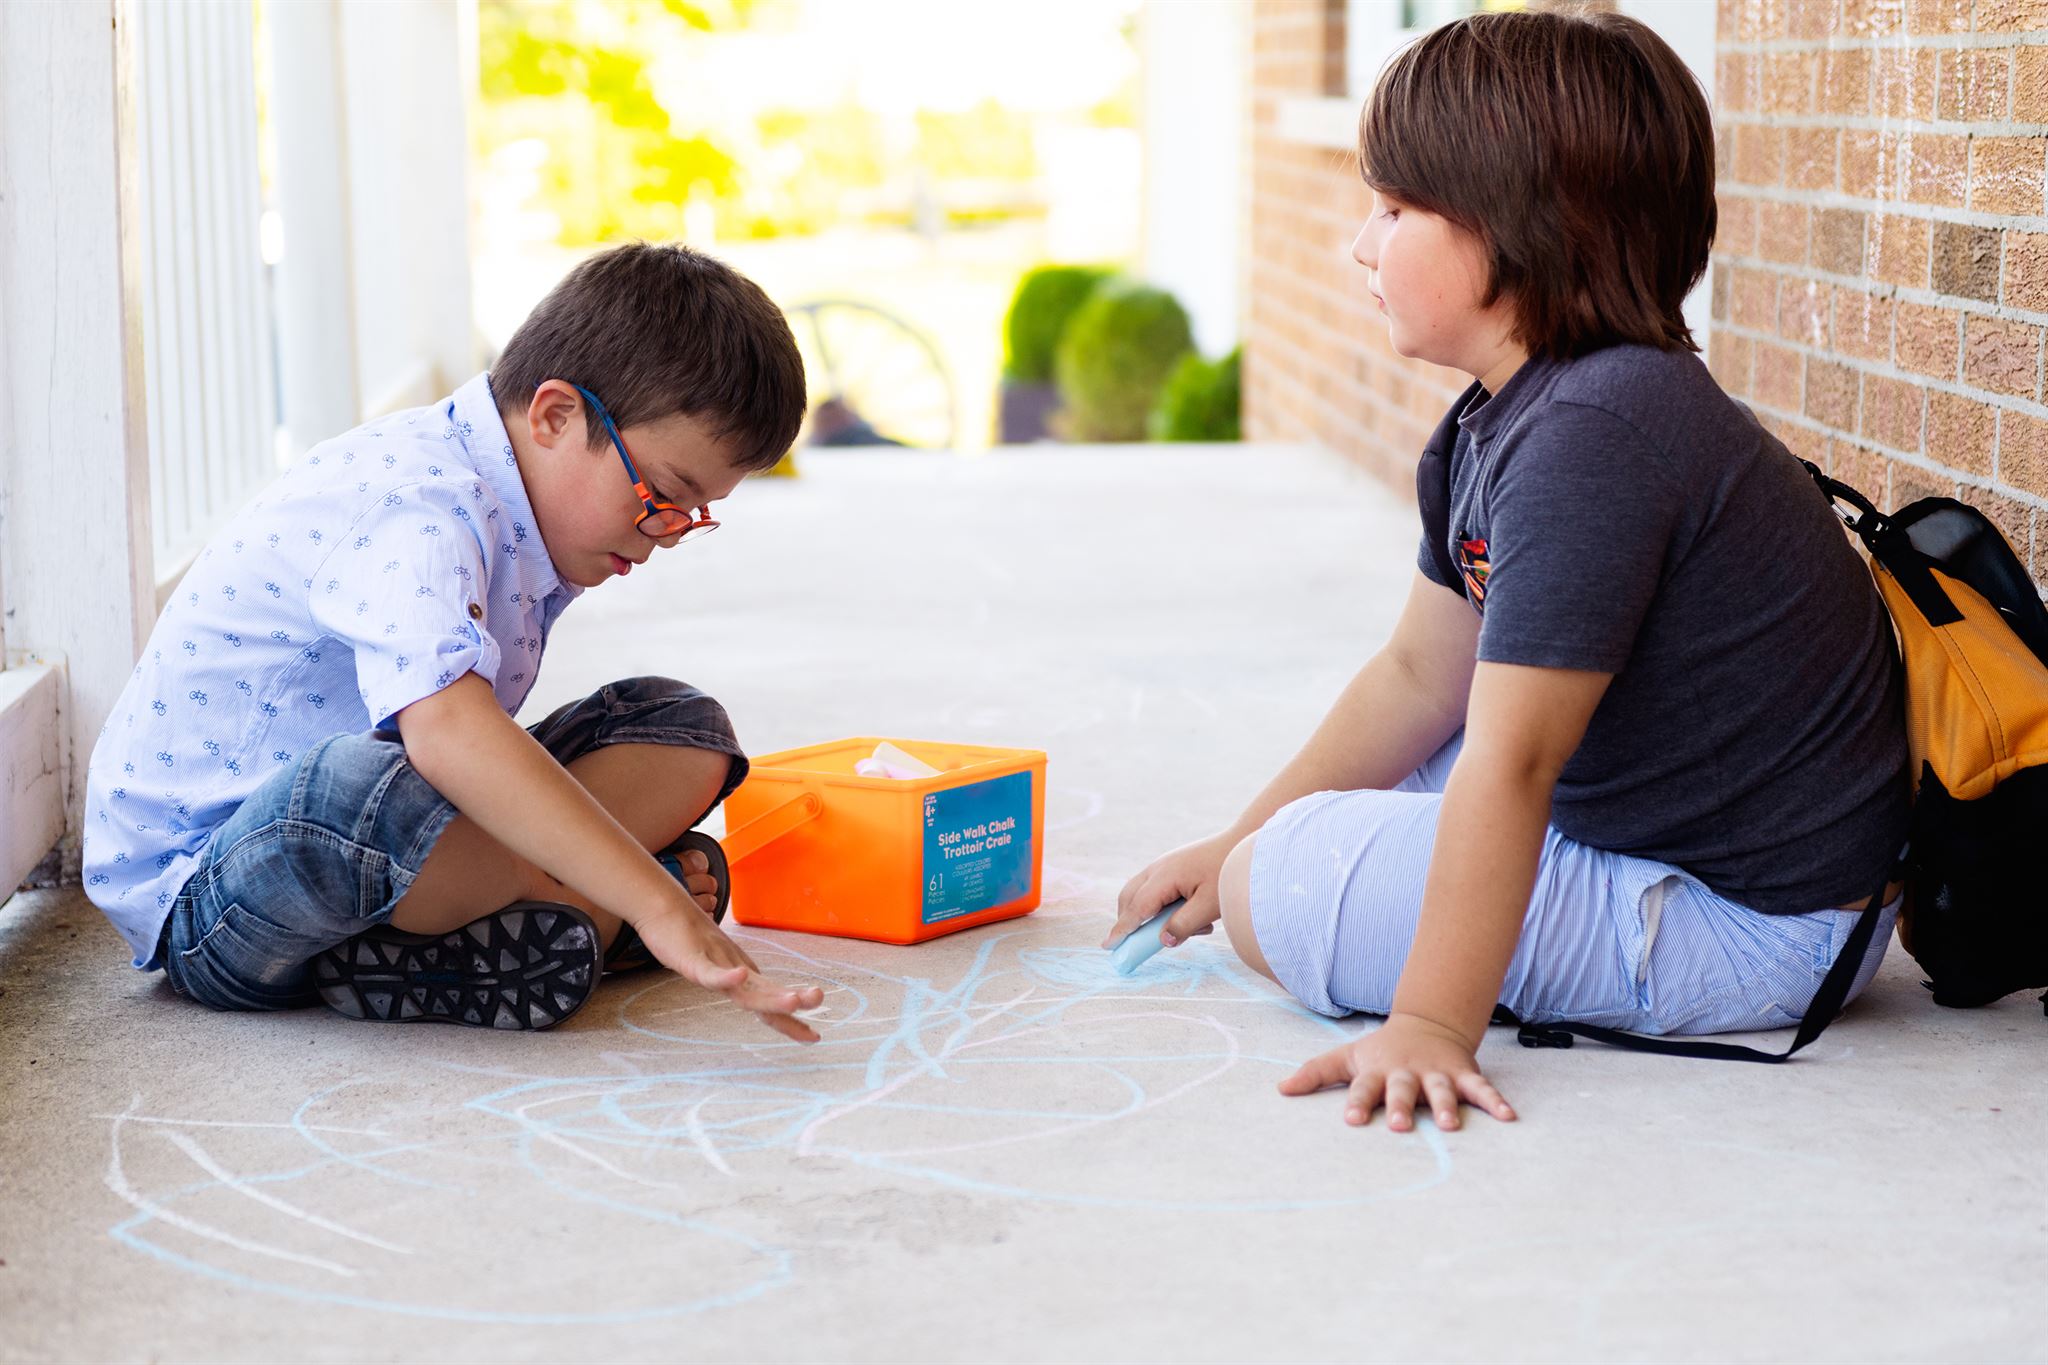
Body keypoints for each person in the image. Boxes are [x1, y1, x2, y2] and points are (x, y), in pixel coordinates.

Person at [1107, 10, 1910, 1132]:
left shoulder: (1601, 431)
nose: (1357, 243)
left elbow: (1513, 758)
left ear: (1517, 229)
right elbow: (1414, 679)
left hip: (1757, 924)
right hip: (1649, 824)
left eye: (1391, 210)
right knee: (1285, 836)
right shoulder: (1494, 421)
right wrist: (1226, 836)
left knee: (1278, 889)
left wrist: (1432, 1022)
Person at [82, 242, 826, 1038]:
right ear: (555, 416)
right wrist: (656, 896)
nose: (669, 534)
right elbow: (445, 736)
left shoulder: (520, 502)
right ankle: (596, 908)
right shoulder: (420, 503)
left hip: (400, 844)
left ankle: (541, 918)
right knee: (364, 789)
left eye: (693, 514)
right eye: (664, 496)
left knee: (684, 725)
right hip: (222, 893)